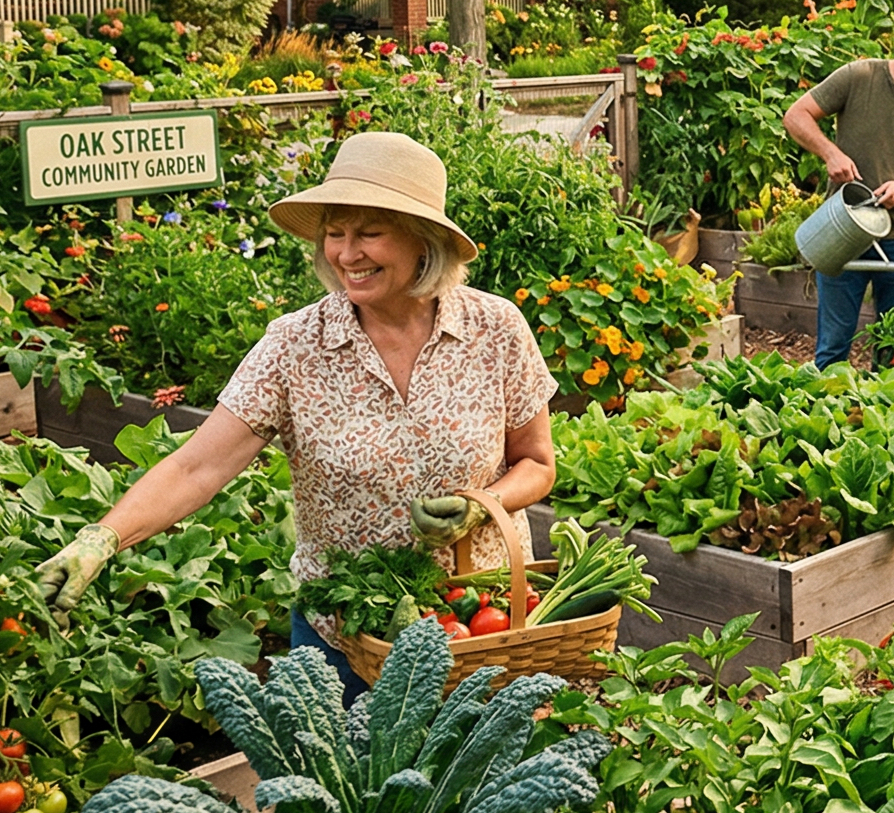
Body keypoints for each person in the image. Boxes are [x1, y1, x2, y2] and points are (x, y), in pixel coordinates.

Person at [31, 132, 559, 700]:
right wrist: (101, 538)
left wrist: (484, 507)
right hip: (350, 637)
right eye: (335, 233)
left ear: (423, 240)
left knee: (486, 784)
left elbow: (536, 463)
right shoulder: (295, 347)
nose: (347, 254)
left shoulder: (494, 329)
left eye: (369, 233)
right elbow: (196, 469)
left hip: (482, 626)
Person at [781, 13, 894, 367]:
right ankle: (824, 417)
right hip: (843, 228)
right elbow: (796, 116)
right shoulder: (858, 76)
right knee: (833, 345)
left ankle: (883, 418)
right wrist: (830, 152)